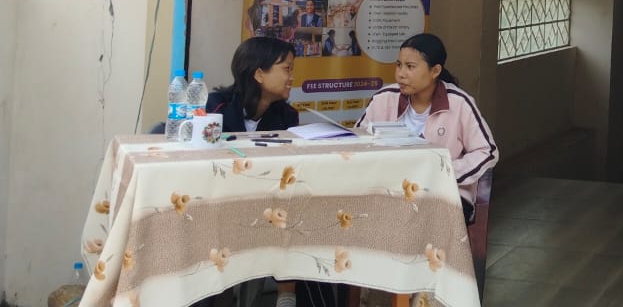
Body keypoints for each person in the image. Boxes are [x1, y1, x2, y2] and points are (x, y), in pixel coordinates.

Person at [205, 38, 334, 307]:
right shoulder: (215, 107)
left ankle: (287, 296)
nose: (292, 77)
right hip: (219, 200)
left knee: (305, 209)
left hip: (266, 201)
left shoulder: (286, 116)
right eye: (286, 69)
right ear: (259, 74)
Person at [356, 34, 498, 222]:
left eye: (410, 67)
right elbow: (357, 143)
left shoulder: (459, 103)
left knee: (416, 216)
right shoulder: (384, 99)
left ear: (435, 70)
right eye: (399, 65)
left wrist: (444, 173)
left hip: (445, 193)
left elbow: (487, 152)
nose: (401, 74)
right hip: (390, 189)